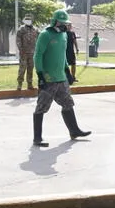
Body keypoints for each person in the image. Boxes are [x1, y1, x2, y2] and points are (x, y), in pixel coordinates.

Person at [32, 9, 91, 147]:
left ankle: (74, 130)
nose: (65, 25)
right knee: (41, 107)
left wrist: (67, 72)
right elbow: (38, 55)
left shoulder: (64, 35)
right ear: (55, 21)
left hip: (61, 78)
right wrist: (40, 74)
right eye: (62, 23)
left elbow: (62, 55)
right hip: (48, 78)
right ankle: (37, 138)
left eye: (66, 23)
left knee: (68, 103)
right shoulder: (45, 35)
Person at [16, 13, 39, 90]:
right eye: (27, 19)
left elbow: (39, 38)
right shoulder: (21, 29)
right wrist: (21, 49)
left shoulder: (35, 29)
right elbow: (18, 40)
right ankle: (19, 84)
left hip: (32, 53)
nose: (28, 21)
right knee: (22, 68)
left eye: (29, 19)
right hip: (24, 53)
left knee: (30, 68)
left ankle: (30, 84)